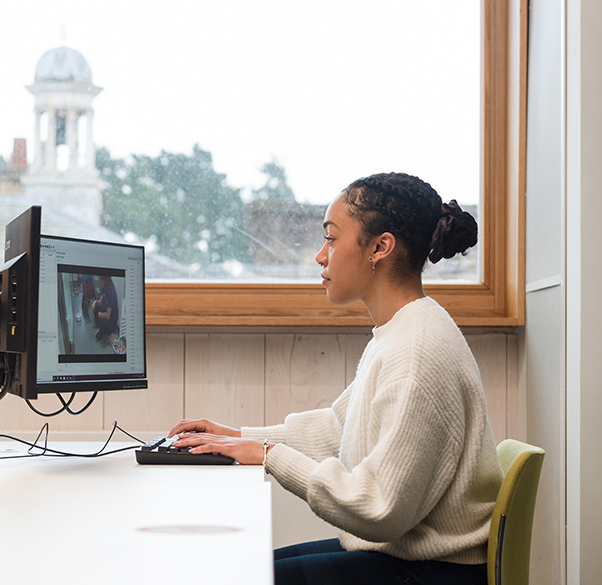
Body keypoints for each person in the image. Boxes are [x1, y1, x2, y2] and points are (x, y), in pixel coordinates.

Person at [169, 172, 503, 585]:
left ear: (380, 247)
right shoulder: (404, 330)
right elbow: (341, 427)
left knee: (238, 575)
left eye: (331, 238)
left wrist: (269, 455)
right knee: (242, 564)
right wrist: (240, 437)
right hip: (408, 555)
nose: (320, 256)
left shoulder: (417, 350)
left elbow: (378, 509)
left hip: (432, 571)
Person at [91, 275, 119, 341]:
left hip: (111, 320)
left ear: (105, 282)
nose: (100, 284)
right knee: (96, 307)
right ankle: (100, 327)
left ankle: (101, 331)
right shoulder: (103, 287)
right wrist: (95, 302)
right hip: (106, 310)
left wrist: (99, 314)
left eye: (101, 282)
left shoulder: (111, 291)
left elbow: (108, 315)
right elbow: (100, 301)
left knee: (101, 319)